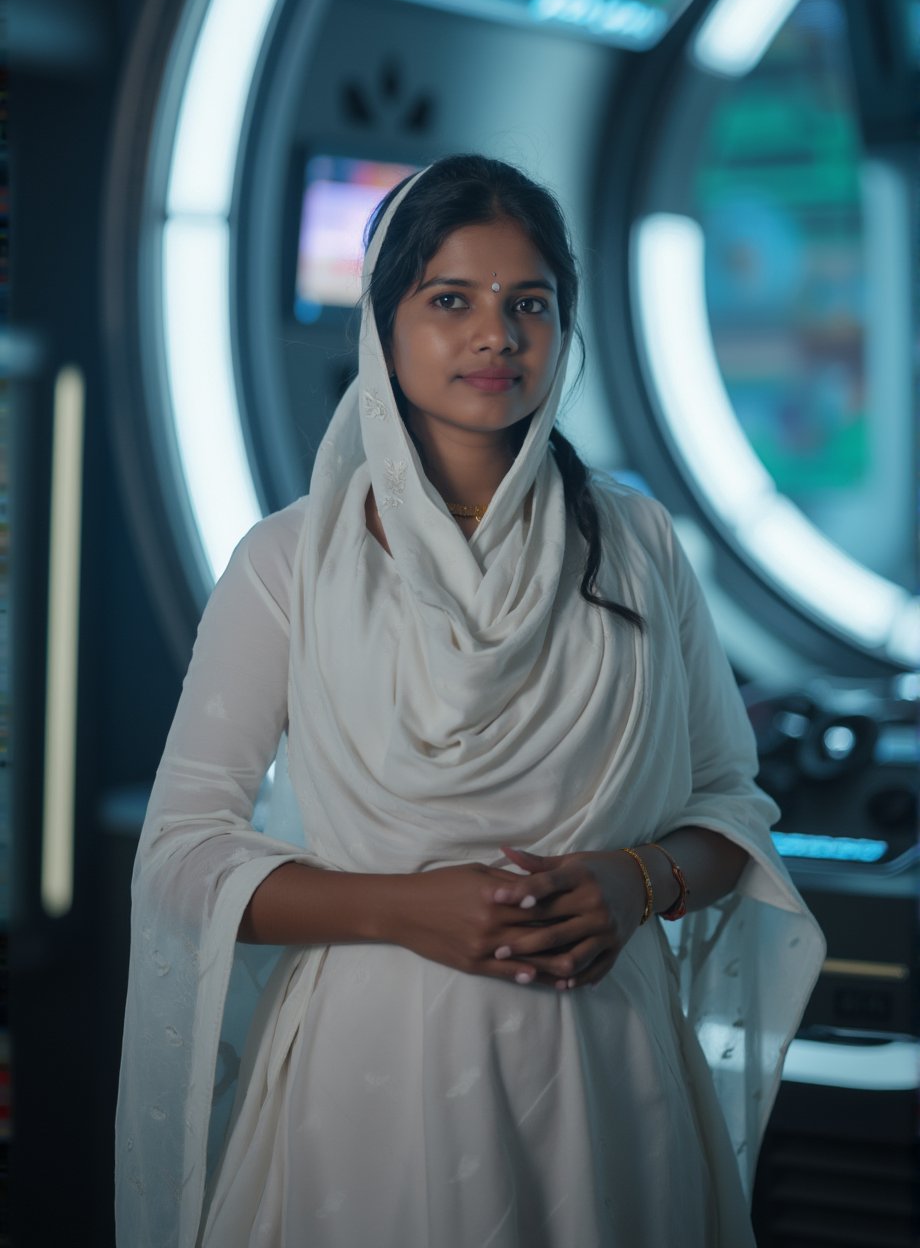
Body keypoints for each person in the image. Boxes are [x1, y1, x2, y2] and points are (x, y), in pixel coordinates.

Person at [116, 154, 825, 1248]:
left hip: (605, 1072)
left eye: (527, 304)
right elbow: (180, 855)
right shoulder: (290, 562)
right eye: (450, 300)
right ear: (382, 323)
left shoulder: (637, 546)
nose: (495, 335)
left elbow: (730, 804)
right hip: (369, 1086)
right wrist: (404, 910)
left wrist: (635, 882)